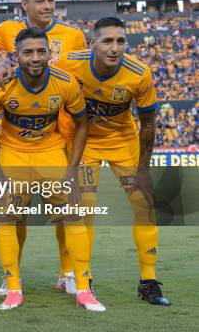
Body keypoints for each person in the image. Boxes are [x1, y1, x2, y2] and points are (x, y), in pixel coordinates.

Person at [0, 28, 105, 311]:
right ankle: (13, 287)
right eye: (28, 52)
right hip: (13, 154)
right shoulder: (3, 84)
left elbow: (83, 124)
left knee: (74, 215)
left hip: (51, 154)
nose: (35, 57)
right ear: (16, 56)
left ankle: (84, 289)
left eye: (41, 51)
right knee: (6, 217)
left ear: (50, 53)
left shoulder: (65, 83)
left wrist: (72, 168)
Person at [55, 17, 170, 306]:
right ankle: (84, 279)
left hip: (123, 141)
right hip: (85, 143)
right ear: (92, 43)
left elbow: (148, 123)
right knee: (85, 208)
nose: (114, 47)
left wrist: (143, 170)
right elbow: (34, 72)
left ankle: (149, 281)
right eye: (107, 40)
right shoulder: (68, 62)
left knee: (144, 203)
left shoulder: (139, 73)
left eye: (120, 41)